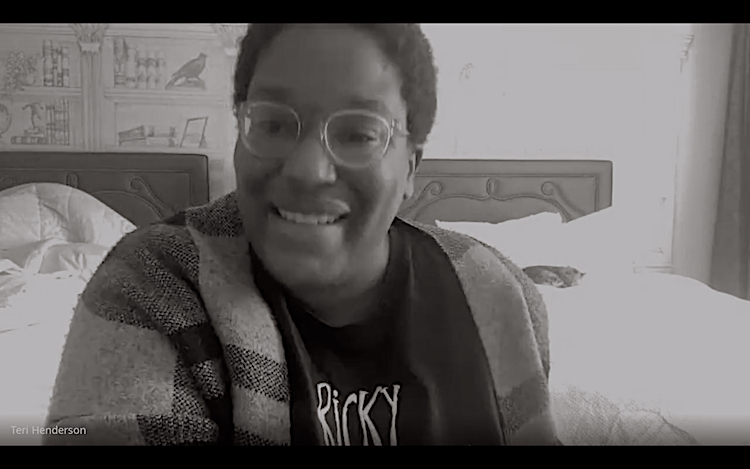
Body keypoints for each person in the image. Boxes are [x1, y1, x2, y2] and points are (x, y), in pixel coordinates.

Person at [43, 23, 559, 446]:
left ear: (410, 168)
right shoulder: (151, 288)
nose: (308, 170)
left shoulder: (498, 292)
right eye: (272, 124)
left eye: (359, 134)